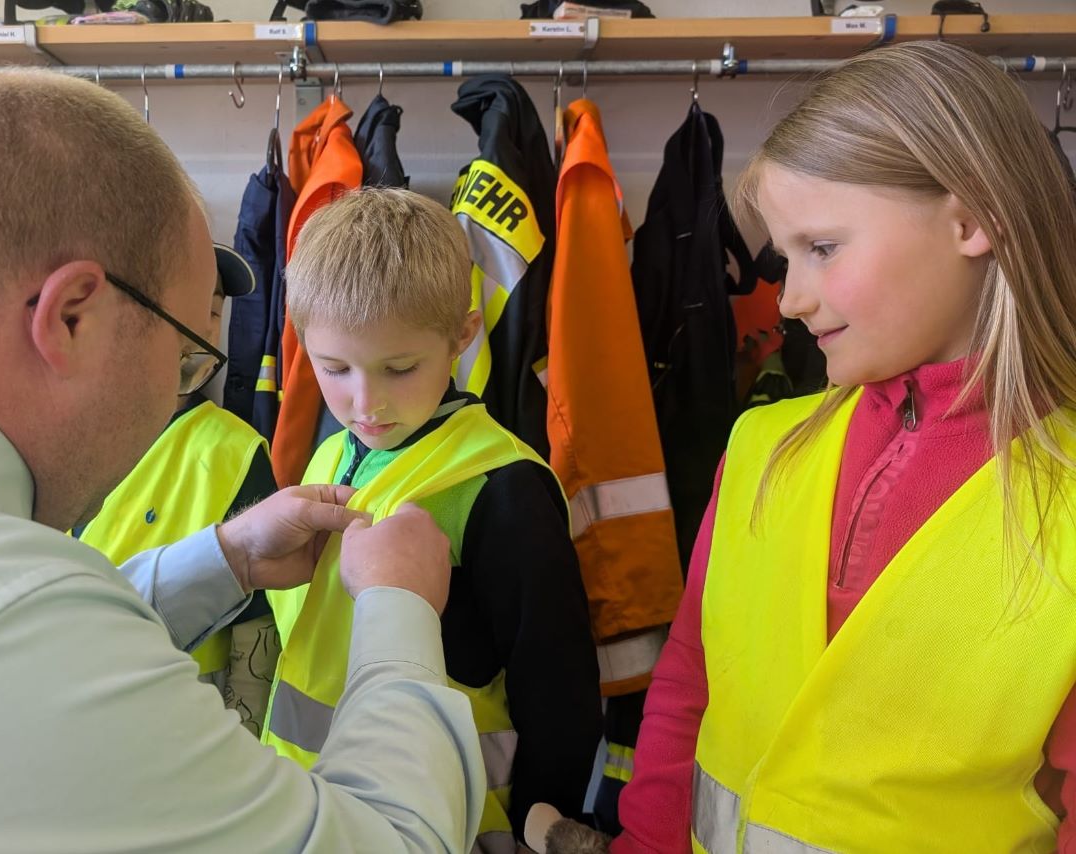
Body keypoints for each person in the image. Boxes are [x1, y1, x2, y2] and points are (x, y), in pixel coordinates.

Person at [0, 68, 488, 853]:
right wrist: (398, 607)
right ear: (73, 318)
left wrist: (225, 559)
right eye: (190, 353)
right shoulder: (1, 629)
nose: (181, 391)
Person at [609, 41, 1076, 853]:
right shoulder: (760, 444)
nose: (788, 300)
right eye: (785, 258)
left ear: (973, 220)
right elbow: (691, 678)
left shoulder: (1062, 498)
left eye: (821, 249)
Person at [261, 187, 603, 853]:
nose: (365, 403)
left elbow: (557, 685)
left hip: (457, 825)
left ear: (462, 336)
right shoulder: (332, 455)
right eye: (335, 368)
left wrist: (543, 819)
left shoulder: (506, 489)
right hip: (314, 813)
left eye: (400, 368)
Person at [74, 245, 281, 735]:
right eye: (184, 307)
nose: (202, 327)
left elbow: (256, 635)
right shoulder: (60, 430)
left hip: (178, 743)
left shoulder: (233, 452)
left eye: (212, 311)